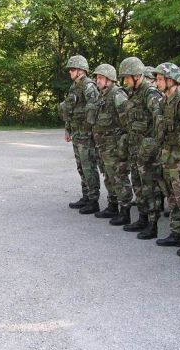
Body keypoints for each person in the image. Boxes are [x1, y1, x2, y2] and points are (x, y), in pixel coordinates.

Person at [153, 63, 180, 252]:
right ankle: (176, 232)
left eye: (160, 79)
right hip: (168, 155)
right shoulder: (164, 100)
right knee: (172, 197)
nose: (157, 83)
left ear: (171, 80)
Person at [118, 57, 162, 239]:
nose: (125, 81)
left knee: (149, 187)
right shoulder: (132, 93)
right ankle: (142, 218)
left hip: (147, 150)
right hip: (135, 148)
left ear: (137, 76)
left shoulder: (150, 93)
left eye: (127, 77)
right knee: (138, 184)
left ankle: (153, 223)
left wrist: (153, 143)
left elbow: (160, 119)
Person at [90, 64, 132, 224]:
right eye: (97, 78)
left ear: (109, 79)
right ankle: (112, 205)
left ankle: (125, 211)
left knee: (119, 177)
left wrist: (122, 144)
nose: (97, 80)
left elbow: (127, 122)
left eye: (100, 78)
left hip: (114, 146)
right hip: (103, 146)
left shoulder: (117, 95)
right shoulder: (102, 95)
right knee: (108, 177)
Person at [62, 55, 101, 214]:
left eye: (72, 69)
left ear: (81, 70)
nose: (70, 72)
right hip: (77, 133)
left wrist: (91, 130)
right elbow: (69, 109)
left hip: (86, 135)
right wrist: (68, 129)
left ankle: (93, 200)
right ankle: (86, 196)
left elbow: (95, 108)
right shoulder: (74, 86)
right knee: (81, 167)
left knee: (89, 167)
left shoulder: (88, 85)